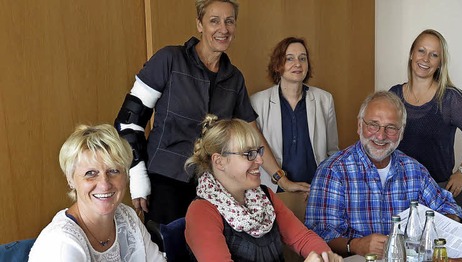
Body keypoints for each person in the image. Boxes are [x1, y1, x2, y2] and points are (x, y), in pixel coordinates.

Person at [113, 0, 307, 225]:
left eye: (229, 21)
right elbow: (128, 122)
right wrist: (138, 179)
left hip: (213, 187)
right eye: (214, 21)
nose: (223, 29)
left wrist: (280, 179)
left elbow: (252, 135)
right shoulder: (169, 59)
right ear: (199, 24)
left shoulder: (234, 78)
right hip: (164, 182)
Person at [305, 91, 462, 257]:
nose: (381, 136)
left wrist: (448, 222)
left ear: (401, 133)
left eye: (391, 128)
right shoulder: (333, 171)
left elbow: (447, 206)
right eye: (373, 125)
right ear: (359, 126)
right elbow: (318, 233)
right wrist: (356, 245)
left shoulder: (413, 169)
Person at [184, 115, 342, 261]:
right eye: (248, 154)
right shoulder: (201, 211)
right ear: (219, 162)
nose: (259, 160)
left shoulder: (266, 195)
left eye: (258, 151)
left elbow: (302, 238)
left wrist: (326, 256)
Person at [389, 29, 462, 218]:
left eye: (434, 55)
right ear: (412, 54)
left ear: (440, 63)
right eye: (421, 51)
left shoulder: (450, 99)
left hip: (438, 191)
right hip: (398, 192)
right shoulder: (394, 95)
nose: (426, 59)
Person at [29, 124, 164, 261]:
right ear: (70, 179)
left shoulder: (126, 217)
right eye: (91, 173)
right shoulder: (62, 245)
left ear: (126, 175)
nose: (104, 184)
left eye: (113, 171)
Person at [251, 37, 339, 192]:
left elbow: (332, 151)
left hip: (315, 189)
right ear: (278, 65)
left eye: (302, 58)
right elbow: (254, 153)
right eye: (289, 58)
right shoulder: (257, 102)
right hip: (273, 189)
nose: (298, 64)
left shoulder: (324, 100)